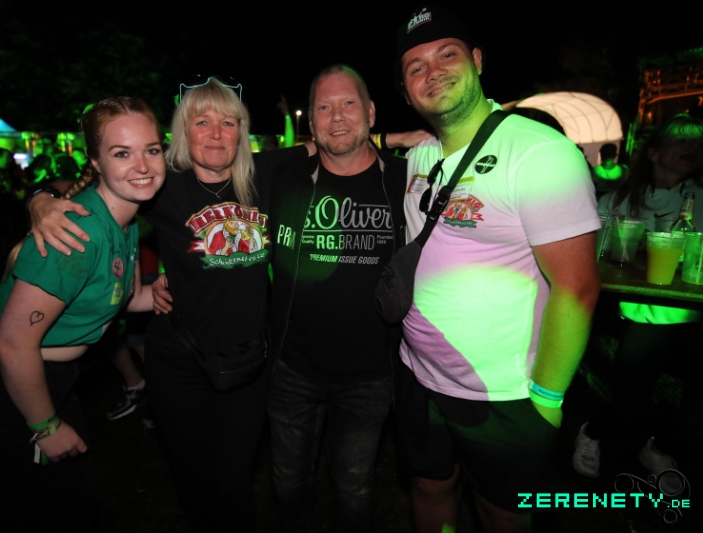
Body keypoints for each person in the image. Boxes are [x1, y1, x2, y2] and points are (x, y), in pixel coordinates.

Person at [28, 78, 314, 533]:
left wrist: (401, 136)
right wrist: (40, 200)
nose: (216, 133)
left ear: (241, 132)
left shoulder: (264, 172)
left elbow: (332, 144)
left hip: (247, 362)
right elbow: (85, 189)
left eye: (228, 122)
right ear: (183, 131)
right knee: (192, 476)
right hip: (179, 361)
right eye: (202, 122)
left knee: (232, 482)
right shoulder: (162, 184)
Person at [392, 7, 600, 532]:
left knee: (500, 512)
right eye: (416, 66)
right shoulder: (420, 157)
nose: (432, 71)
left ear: (478, 61)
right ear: (406, 91)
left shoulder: (539, 153)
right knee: (429, 486)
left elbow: (577, 288)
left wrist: (547, 399)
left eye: (447, 54)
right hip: (418, 374)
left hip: (504, 394)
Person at [0, 96, 165, 531]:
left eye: (151, 150)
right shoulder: (77, 234)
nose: (142, 165)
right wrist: (45, 427)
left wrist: (161, 292)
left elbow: (126, 296)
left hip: (51, 379)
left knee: (75, 504)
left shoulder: (126, 223)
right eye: (122, 153)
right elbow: (12, 342)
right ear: (95, 162)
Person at [267, 65, 426, 533]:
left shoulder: (407, 182)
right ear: (312, 121)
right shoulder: (284, 178)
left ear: (371, 113)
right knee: (287, 484)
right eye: (324, 107)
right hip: (291, 368)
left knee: (355, 488)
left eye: (348, 104)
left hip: (371, 375)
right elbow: (211, 169)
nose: (336, 116)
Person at [574, 115, 703, 491]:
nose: (692, 148)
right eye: (682, 140)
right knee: (630, 402)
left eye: (698, 143)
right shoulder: (618, 200)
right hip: (641, 313)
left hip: (695, 313)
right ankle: (593, 430)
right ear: (654, 152)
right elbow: (591, 255)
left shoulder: (699, 197)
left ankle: (659, 448)